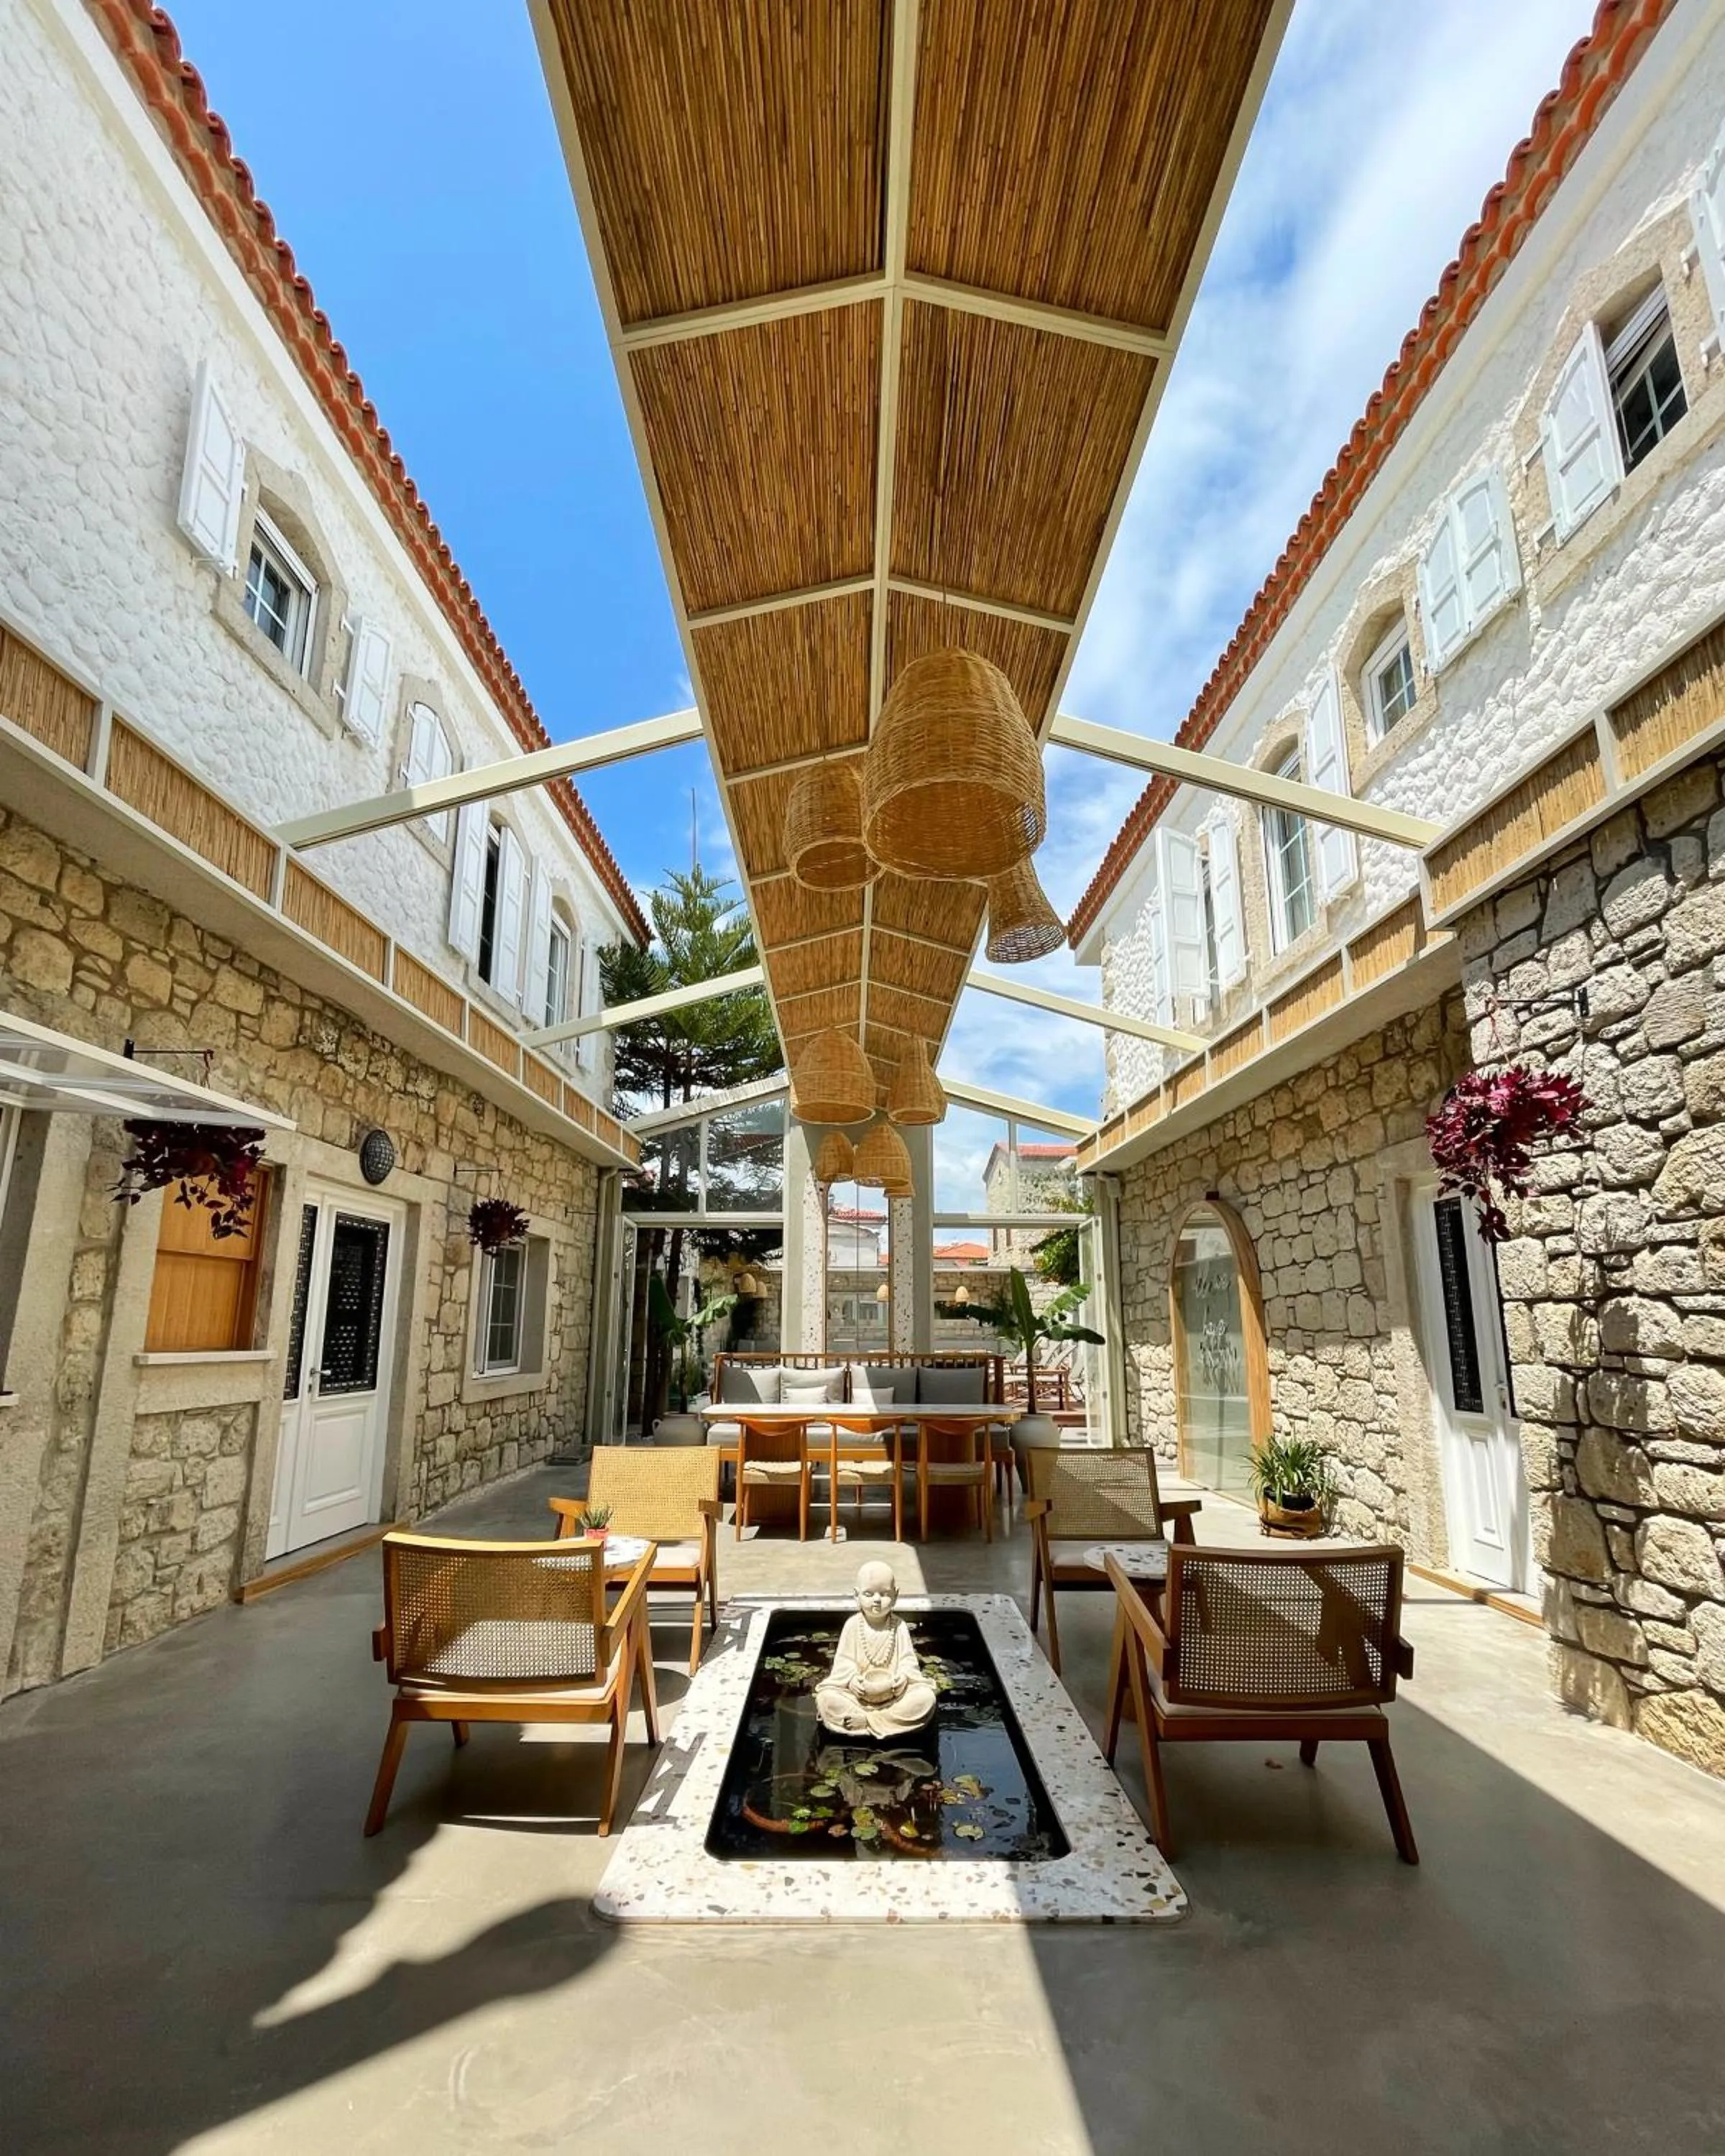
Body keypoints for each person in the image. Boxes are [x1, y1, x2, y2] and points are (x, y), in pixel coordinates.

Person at [813, 1562, 937, 1738]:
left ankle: (869, 1722)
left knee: (925, 1698)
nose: (877, 1600)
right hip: (857, 1697)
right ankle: (885, 1724)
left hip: (894, 1696)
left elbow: (908, 1661)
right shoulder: (852, 1625)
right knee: (826, 1698)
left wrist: (903, 1676)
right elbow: (844, 1663)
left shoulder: (899, 1626)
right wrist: (851, 1679)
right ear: (856, 1595)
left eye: (885, 1594)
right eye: (869, 1594)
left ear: (895, 1596)